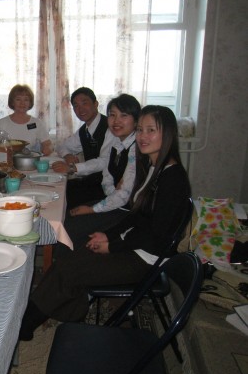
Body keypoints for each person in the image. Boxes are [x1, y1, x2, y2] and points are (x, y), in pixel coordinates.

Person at [19, 105, 191, 340]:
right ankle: (61, 314)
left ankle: (25, 324)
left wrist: (113, 245)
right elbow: (136, 215)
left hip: (148, 259)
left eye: (151, 130)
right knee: (72, 256)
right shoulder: (153, 167)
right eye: (140, 130)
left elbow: (157, 238)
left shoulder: (174, 179)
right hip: (137, 245)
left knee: (69, 268)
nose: (142, 136)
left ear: (168, 134)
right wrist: (108, 235)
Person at [65, 94, 140, 249]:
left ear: (136, 120)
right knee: (68, 216)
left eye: (124, 116)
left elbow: (124, 195)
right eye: (112, 115)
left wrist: (93, 209)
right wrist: (112, 192)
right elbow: (107, 176)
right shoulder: (118, 144)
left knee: (71, 227)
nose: (116, 121)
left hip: (128, 212)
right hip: (113, 200)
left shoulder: (136, 149)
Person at [53, 87, 115, 207]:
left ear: (96, 104)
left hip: (107, 186)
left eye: (84, 103)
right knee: (57, 190)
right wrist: (67, 155)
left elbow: (104, 161)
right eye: (76, 106)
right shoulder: (84, 130)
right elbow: (63, 146)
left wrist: (73, 168)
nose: (80, 109)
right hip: (91, 181)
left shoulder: (110, 127)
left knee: (61, 198)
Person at [0, 84, 53, 155]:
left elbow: (48, 144)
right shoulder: (2, 123)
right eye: (18, 99)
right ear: (12, 102)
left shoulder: (37, 123)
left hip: (30, 161)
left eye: (26, 99)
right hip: (7, 162)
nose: (22, 103)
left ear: (30, 103)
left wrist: (48, 148)